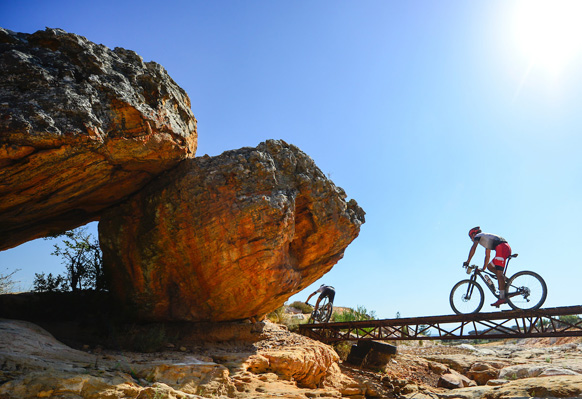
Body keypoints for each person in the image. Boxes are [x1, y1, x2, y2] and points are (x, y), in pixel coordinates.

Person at [464, 226, 512, 307]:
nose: (471, 239)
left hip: (501, 247)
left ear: (473, 234)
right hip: (504, 247)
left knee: (499, 273)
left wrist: (468, 261)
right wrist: (484, 268)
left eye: (470, 236)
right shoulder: (486, 238)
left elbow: (473, 248)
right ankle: (505, 280)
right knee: (490, 267)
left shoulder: (478, 236)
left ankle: (502, 298)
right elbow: (487, 256)